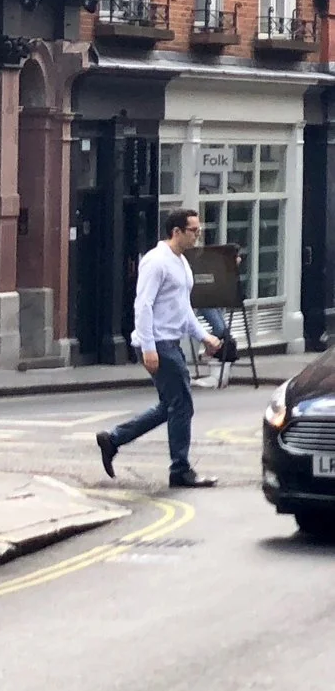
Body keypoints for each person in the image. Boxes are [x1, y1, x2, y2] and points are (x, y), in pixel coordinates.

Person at [97, 207, 221, 488]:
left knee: (171, 405)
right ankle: (180, 469)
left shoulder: (181, 263)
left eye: (199, 230)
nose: (197, 236)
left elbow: (183, 308)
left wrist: (204, 336)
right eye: (193, 231)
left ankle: (114, 439)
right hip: (158, 344)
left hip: (170, 342)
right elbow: (143, 306)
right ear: (176, 231)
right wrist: (148, 347)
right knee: (183, 405)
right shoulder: (157, 262)